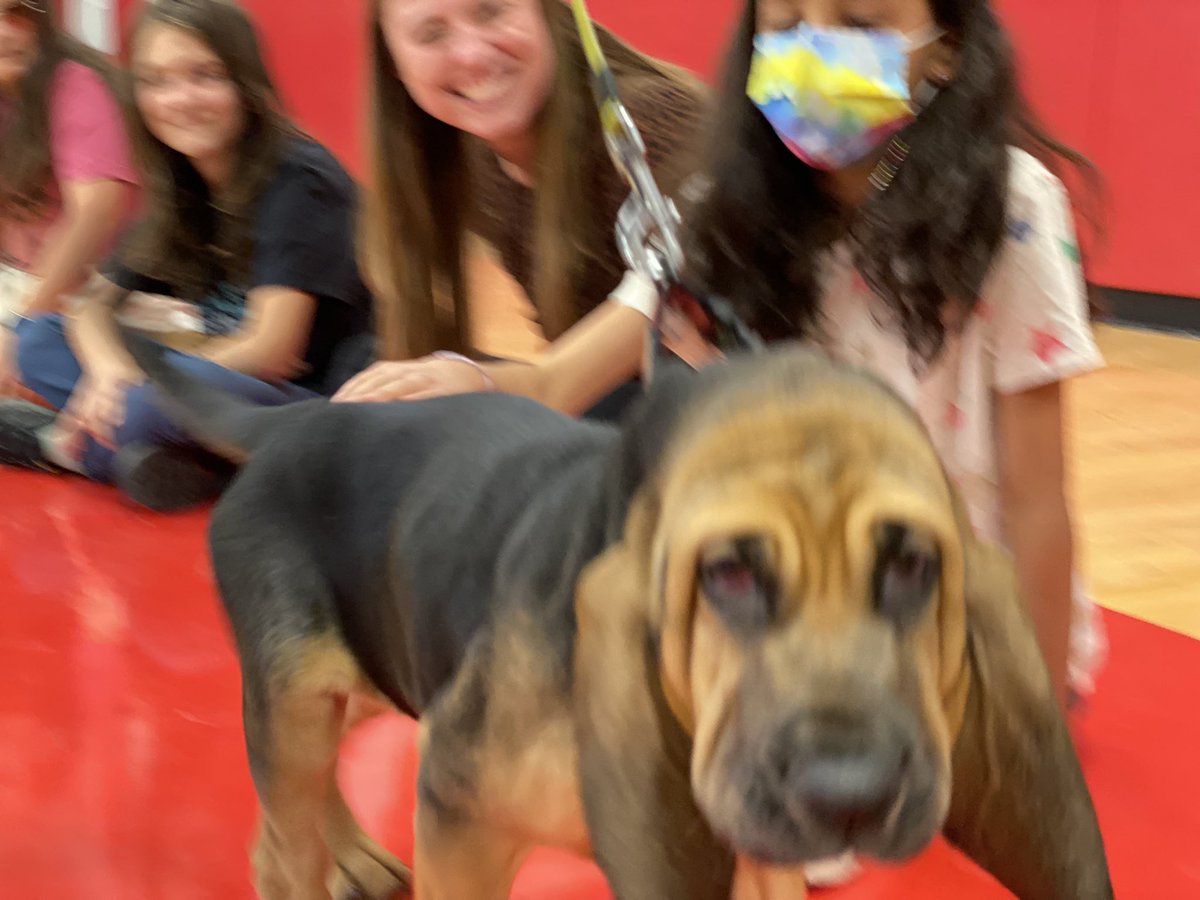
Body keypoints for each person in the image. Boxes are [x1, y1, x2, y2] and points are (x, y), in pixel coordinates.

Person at [342, 0, 1107, 713]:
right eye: (785, 24)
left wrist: (1027, 710)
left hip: (968, 618)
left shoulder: (1010, 209)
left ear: (946, 49)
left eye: (859, 21)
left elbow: (1038, 500)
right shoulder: (721, 207)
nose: (813, 50)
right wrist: (467, 379)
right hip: (818, 607)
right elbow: (559, 376)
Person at [0, 0, 371, 511]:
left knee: (149, 402)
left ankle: (62, 447)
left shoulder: (300, 180)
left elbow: (271, 351)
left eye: (205, 75)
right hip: (210, 392)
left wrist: (144, 382)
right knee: (37, 338)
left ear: (246, 82)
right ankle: (161, 460)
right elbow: (89, 305)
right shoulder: (185, 183)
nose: (180, 99)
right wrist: (110, 370)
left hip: (308, 403)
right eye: (156, 81)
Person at [331, 0, 709, 415]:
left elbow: (556, 385)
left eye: (491, 11)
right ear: (395, 66)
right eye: (431, 34)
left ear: (546, 13)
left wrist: (480, 380)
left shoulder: (650, 123)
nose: (471, 54)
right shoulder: (482, 162)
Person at [0, 0, 138, 395]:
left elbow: (94, 215)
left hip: (97, 294)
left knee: (28, 350)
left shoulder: (75, 84)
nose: (6, 31)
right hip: (20, 282)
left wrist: (20, 326)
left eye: (18, 13)